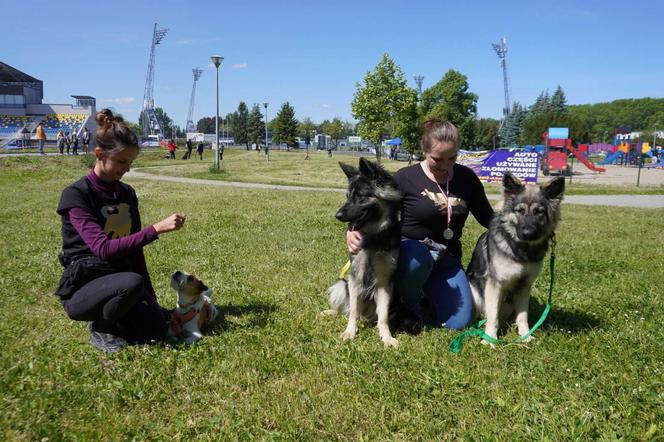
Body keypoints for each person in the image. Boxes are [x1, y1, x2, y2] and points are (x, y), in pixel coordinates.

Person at [55, 108, 187, 352]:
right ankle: (102, 327)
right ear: (99, 154)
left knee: (157, 330)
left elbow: (135, 251)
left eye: (131, 162)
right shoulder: (76, 195)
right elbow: (102, 249)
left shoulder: (126, 193)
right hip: (85, 286)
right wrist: (155, 229)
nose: (126, 169)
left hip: (123, 280)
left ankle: (126, 317)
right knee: (131, 284)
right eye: (121, 161)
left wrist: (153, 303)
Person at [346, 119, 493, 331]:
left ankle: (426, 295)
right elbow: (372, 207)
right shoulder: (405, 178)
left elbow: (488, 217)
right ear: (424, 149)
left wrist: (518, 224)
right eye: (437, 159)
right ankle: (406, 305)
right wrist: (352, 229)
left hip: (447, 258)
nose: (445, 166)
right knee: (419, 257)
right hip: (411, 253)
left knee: (459, 322)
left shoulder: (467, 178)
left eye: (452, 158)